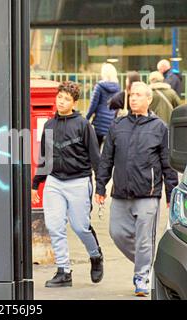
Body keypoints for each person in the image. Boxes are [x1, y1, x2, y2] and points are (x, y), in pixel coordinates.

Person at [95, 82, 179, 297]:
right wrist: (101, 186)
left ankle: (142, 277)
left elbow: (167, 163)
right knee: (117, 233)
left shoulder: (159, 127)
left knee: (143, 239)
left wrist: (171, 193)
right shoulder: (118, 125)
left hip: (148, 194)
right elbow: (106, 159)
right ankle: (148, 262)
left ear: (149, 99)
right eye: (132, 95)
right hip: (120, 192)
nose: (133, 99)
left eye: (139, 95)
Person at [31, 81, 103, 288]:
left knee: (80, 227)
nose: (61, 102)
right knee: (54, 226)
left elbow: (95, 158)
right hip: (54, 181)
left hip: (79, 181)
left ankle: (96, 255)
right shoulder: (49, 125)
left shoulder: (83, 125)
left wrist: (100, 187)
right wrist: (36, 184)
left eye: (66, 99)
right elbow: (44, 157)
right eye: (59, 97)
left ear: (74, 102)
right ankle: (64, 271)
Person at [86, 63, 121, 148]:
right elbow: (117, 105)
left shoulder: (99, 86)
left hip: (100, 120)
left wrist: (87, 118)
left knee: (96, 147)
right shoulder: (118, 87)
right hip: (112, 119)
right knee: (108, 149)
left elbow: (93, 104)